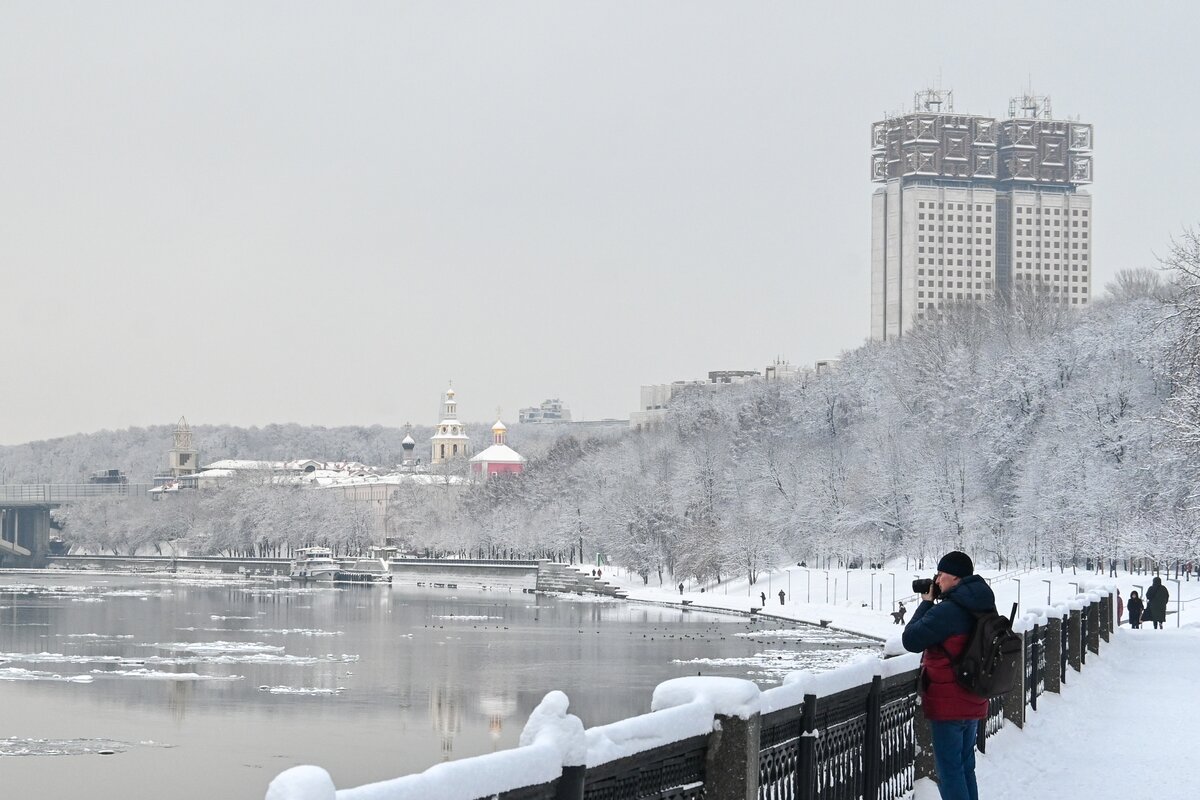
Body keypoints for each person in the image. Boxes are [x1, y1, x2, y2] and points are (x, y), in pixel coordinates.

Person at [903, 550, 994, 800]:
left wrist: (926, 602)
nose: (937, 579)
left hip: (948, 702)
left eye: (941, 574)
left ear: (955, 578)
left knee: (949, 771)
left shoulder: (949, 611)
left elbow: (910, 639)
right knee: (965, 767)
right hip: (973, 695)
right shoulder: (983, 602)